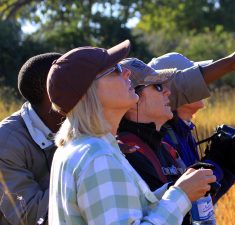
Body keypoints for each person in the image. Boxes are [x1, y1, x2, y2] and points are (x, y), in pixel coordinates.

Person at [47, 40, 216, 225]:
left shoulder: (78, 148)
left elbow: (129, 210)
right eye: (115, 69)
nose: (126, 71)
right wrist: (181, 196)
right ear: (90, 91)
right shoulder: (98, 157)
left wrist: (176, 189)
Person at [152, 53, 235, 203]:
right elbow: (183, 201)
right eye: (192, 79)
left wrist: (229, 167)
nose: (202, 84)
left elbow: (203, 204)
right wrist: (216, 161)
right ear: (171, 90)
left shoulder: (184, 130)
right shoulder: (161, 136)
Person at [0, 53, 64, 225]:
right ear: (51, 91)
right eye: (73, 81)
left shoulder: (78, 123)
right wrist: (83, 170)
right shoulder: (6, 142)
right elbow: (30, 216)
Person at [148, 33, 235, 111]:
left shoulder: (180, 131)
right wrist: (231, 62)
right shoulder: (163, 135)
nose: (202, 84)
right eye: (189, 78)